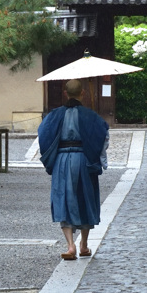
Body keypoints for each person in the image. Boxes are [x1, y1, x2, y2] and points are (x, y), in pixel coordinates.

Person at [37, 79, 109, 260]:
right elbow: (103, 136)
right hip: (83, 160)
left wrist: (51, 157)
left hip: (62, 160)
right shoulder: (90, 116)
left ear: (65, 93)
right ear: (82, 93)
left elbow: (43, 134)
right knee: (85, 197)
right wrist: (99, 159)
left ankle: (70, 246)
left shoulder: (54, 115)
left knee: (63, 198)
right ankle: (83, 245)